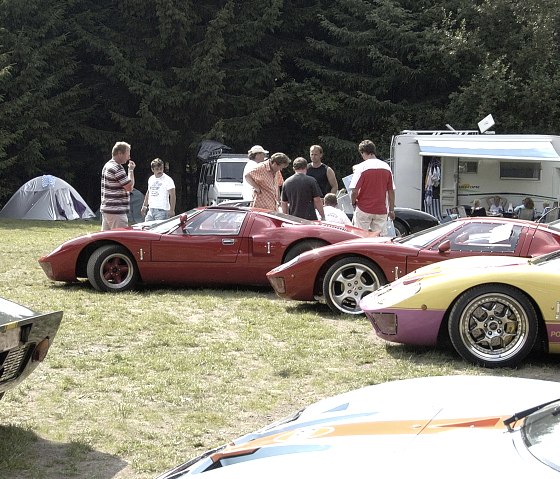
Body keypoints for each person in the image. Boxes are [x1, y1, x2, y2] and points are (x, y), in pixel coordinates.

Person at [349, 139, 395, 234]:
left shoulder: (361, 167)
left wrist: (353, 202)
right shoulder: (386, 167)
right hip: (381, 209)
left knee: (359, 237)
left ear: (363, 153)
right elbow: (391, 191)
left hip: (363, 208)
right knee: (379, 239)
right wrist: (391, 210)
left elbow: (354, 191)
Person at [100, 141, 135, 231]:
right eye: (128, 154)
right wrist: (130, 171)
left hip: (107, 210)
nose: (129, 157)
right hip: (117, 212)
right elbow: (129, 188)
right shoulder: (117, 168)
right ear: (120, 153)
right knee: (120, 241)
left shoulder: (107, 165)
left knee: (106, 240)